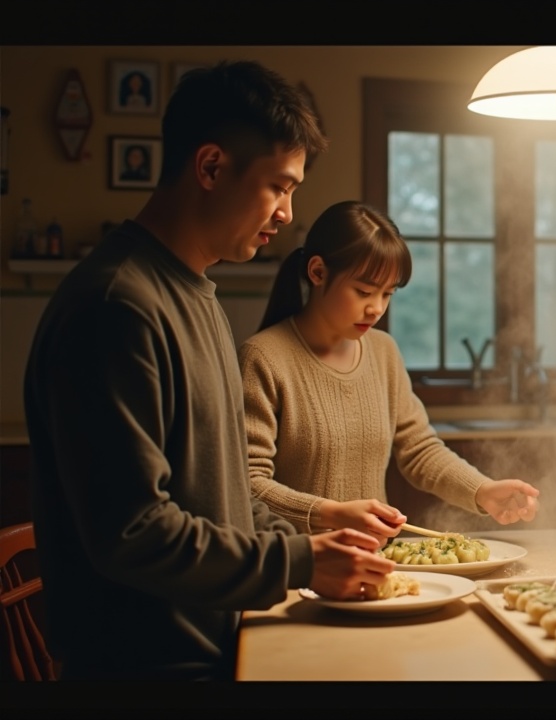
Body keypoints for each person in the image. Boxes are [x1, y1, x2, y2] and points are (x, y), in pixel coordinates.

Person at [23, 61, 394, 681]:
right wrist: (299, 561)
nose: (286, 214)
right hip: (151, 667)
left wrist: (320, 548)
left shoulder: (198, 296)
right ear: (212, 167)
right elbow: (134, 532)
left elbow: (223, 497)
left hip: (224, 640)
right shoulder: (117, 306)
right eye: (279, 186)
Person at [239, 200, 540, 538]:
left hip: (375, 561)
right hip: (300, 564)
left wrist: (482, 491)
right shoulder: (263, 358)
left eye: (387, 294)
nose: (376, 308)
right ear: (318, 272)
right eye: (364, 291)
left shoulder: (383, 352)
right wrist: (332, 514)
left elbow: (420, 450)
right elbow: (249, 484)